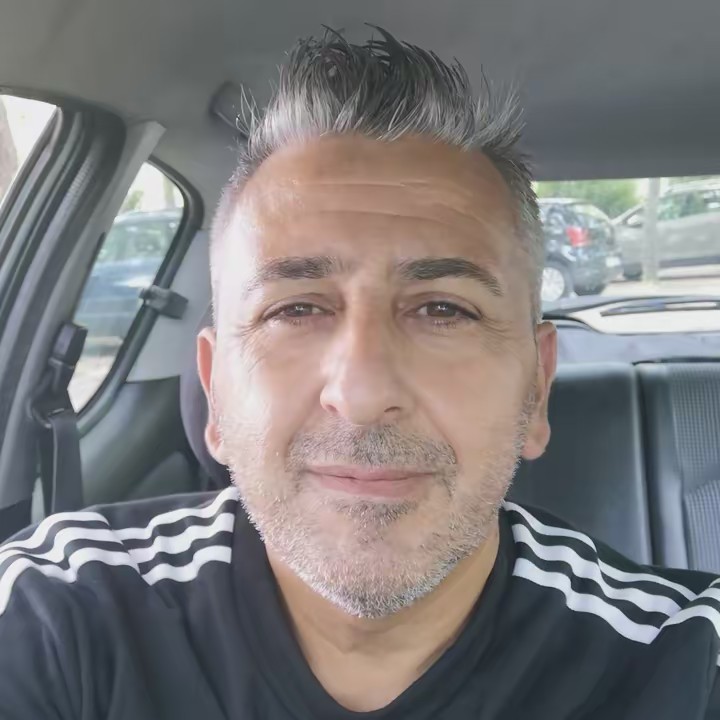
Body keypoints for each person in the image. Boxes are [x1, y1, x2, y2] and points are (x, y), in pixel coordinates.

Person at [0, 27, 718, 720]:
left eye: (443, 309)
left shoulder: (683, 657)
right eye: (296, 309)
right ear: (216, 391)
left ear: (535, 389)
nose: (363, 393)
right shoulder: (57, 609)